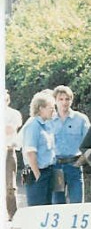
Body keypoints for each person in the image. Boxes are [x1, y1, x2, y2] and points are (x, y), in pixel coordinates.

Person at [50, 85, 91, 204]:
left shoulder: (81, 119)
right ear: (55, 101)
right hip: (56, 167)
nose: (64, 102)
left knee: (77, 202)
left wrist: (80, 162)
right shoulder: (49, 120)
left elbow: (89, 143)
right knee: (57, 203)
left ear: (71, 100)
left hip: (74, 166)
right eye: (61, 99)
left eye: (67, 99)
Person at [21, 90, 56, 206]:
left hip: (48, 172)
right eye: (51, 107)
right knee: (37, 209)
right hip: (37, 173)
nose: (53, 110)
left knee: (47, 209)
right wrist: (38, 175)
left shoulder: (46, 125)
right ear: (41, 108)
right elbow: (30, 153)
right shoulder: (33, 125)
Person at [4, 90, 24, 219]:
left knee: (10, 186)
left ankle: (13, 215)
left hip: (7, 151)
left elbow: (10, 129)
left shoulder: (14, 114)